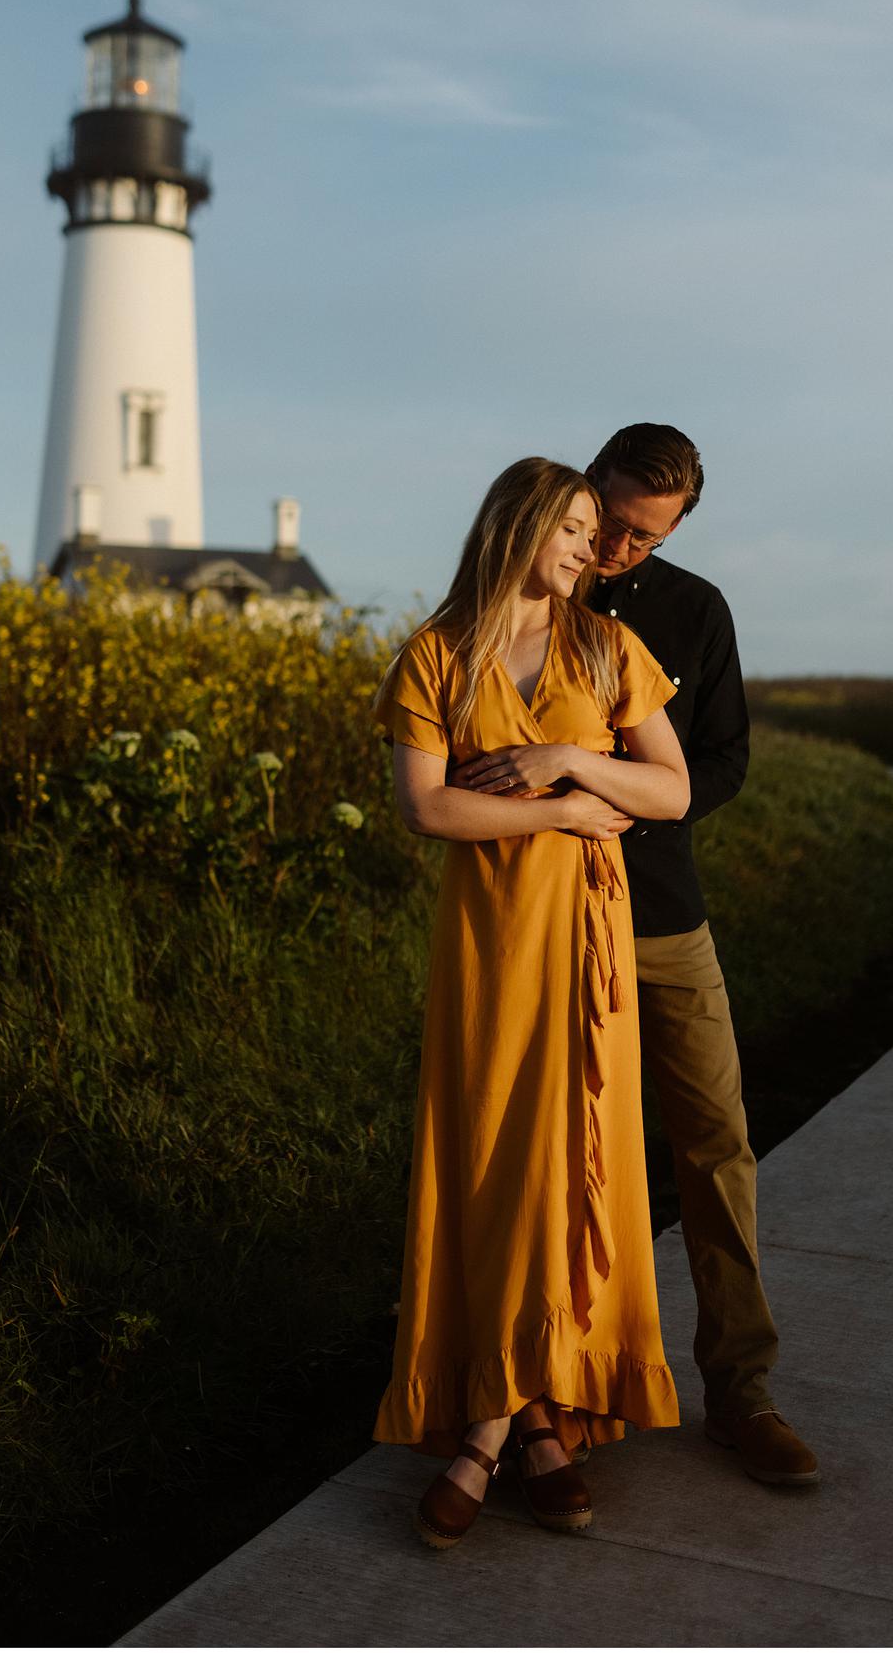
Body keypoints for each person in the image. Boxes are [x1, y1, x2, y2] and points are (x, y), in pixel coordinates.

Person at [372, 457, 688, 1548]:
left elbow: (672, 788)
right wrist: (559, 815)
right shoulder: (437, 652)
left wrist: (565, 756)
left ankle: (493, 1432)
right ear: (515, 528)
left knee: (568, 1165)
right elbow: (426, 807)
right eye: (569, 527)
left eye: (593, 529)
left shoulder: (605, 648)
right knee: (493, 1162)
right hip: (487, 947)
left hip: (584, 947)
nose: (585, 547)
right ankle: (535, 1418)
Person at [583, 421, 820, 1487]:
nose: (619, 551)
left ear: (674, 525)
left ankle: (741, 1389)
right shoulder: (525, 590)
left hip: (668, 917)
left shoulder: (697, 608)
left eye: (646, 537)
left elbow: (724, 759)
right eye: (614, 523)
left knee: (717, 1148)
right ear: (588, 483)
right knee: (569, 1163)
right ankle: (558, 1397)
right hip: (547, 924)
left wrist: (639, 807)